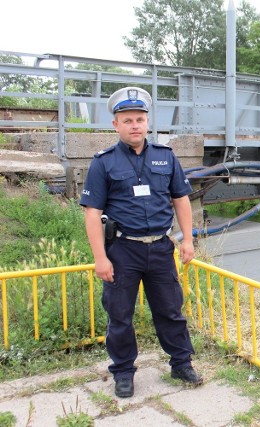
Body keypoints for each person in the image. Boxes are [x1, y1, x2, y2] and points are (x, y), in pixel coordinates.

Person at [80, 87, 202, 398]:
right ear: (116, 125)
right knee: (120, 314)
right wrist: (100, 258)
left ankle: (181, 363)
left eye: (140, 119)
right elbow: (93, 214)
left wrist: (187, 239)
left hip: (161, 247)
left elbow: (181, 199)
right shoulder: (103, 163)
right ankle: (123, 372)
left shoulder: (165, 157)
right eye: (128, 120)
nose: (135, 125)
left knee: (170, 310)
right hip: (123, 250)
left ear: (147, 122)